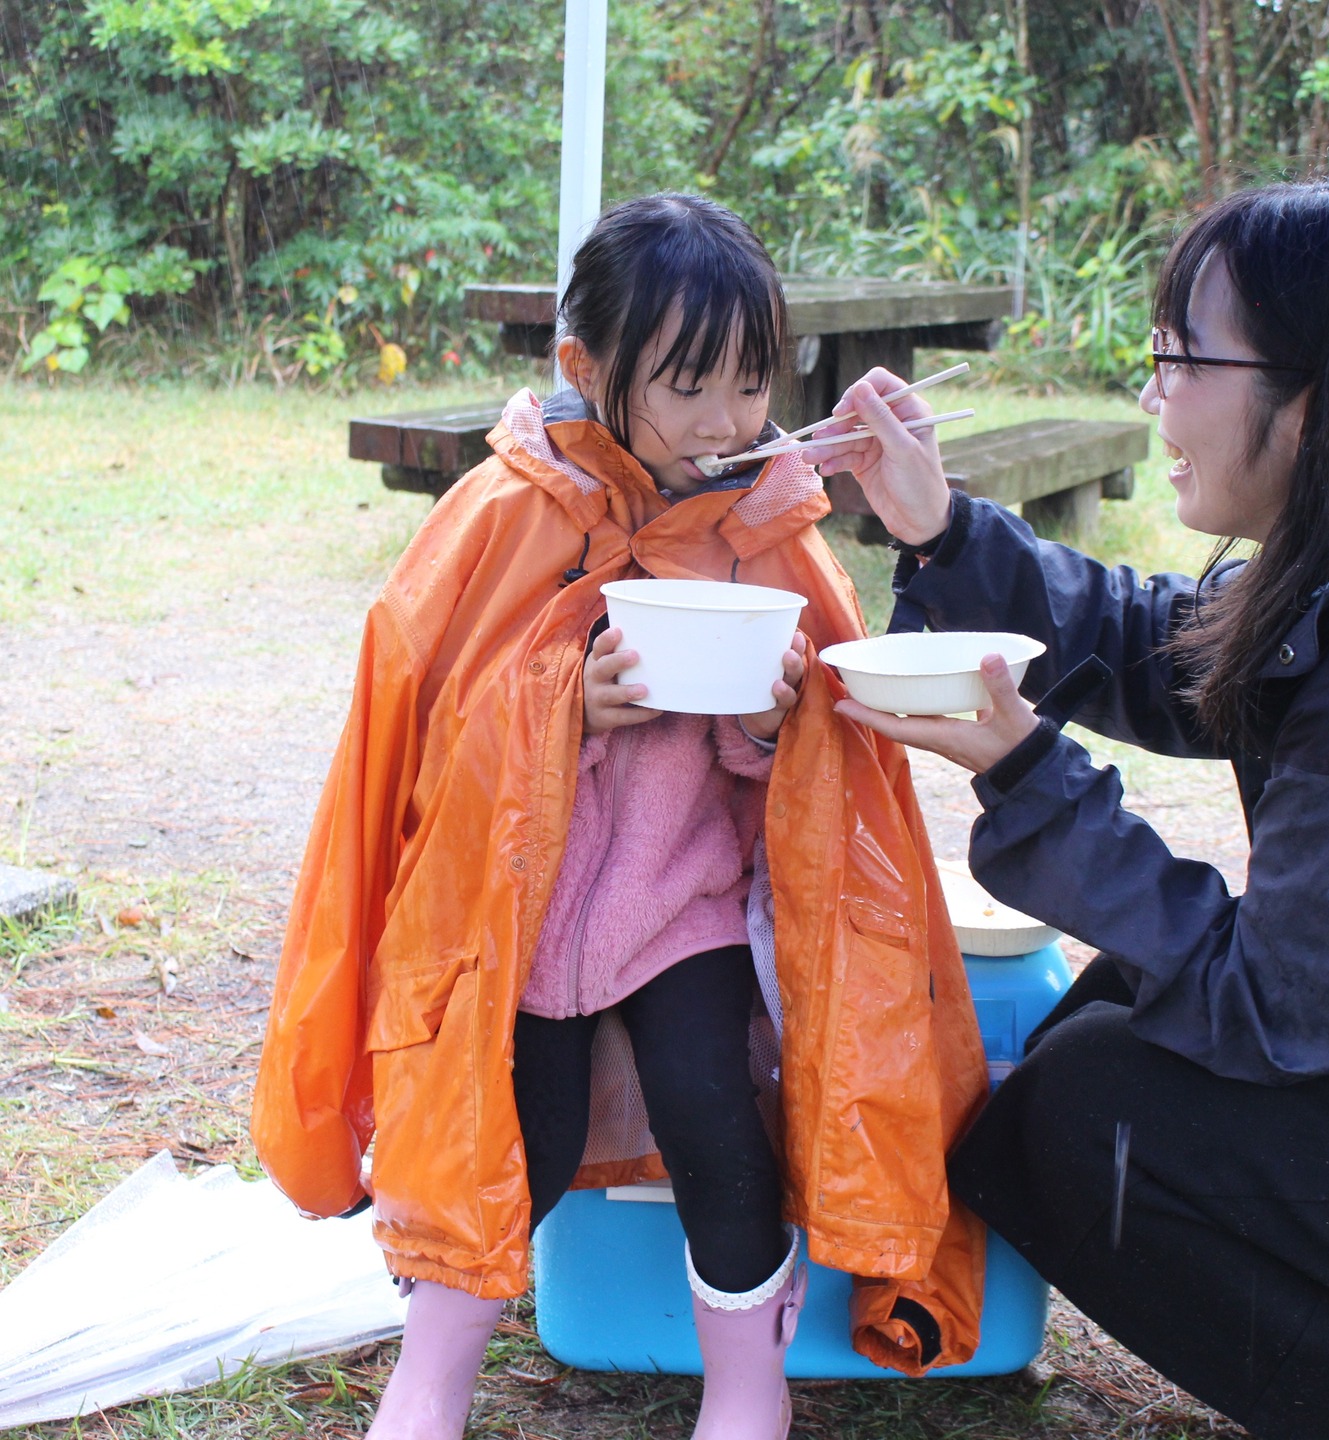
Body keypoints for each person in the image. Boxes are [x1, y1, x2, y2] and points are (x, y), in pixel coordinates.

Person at [250, 193, 991, 1440]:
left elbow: (811, 788)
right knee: (508, 1137)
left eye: (753, 384)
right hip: (519, 924)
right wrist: (565, 709)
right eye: (688, 385)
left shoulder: (768, 530)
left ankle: (749, 1390)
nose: (726, 422)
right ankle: (430, 1378)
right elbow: (429, 731)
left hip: (680, 909)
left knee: (718, 1124)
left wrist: (769, 727)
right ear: (586, 370)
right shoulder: (504, 511)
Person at [805, 177, 1329, 1440]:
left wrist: (1030, 772)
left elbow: (1275, 1010)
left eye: (1179, 358)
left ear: (1310, 406)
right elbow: (1177, 647)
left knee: (1078, 1118)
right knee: (1101, 1022)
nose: (1154, 395)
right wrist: (941, 531)